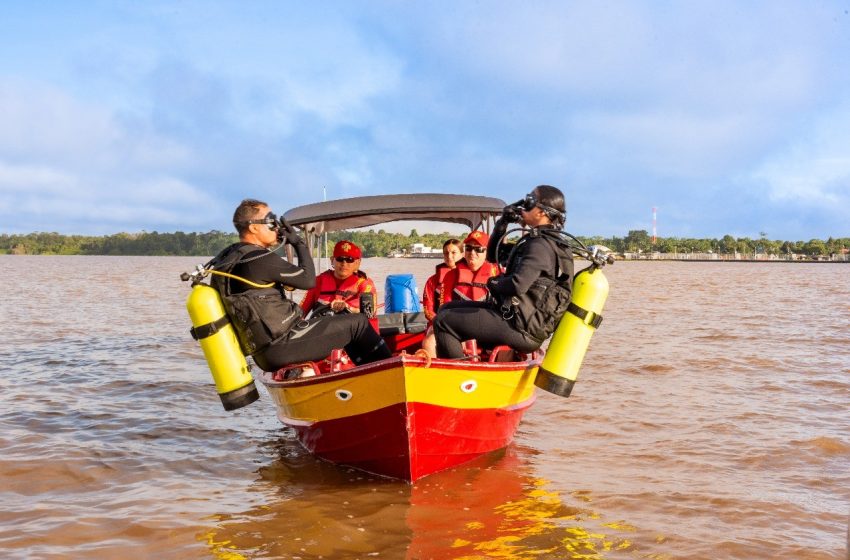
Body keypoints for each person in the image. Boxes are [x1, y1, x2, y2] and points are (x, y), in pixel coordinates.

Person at [209, 199, 390, 372]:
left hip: (264, 350)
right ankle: (390, 373)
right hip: (282, 343)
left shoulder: (227, 259)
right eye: (271, 220)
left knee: (349, 323)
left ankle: (364, 373)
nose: (276, 227)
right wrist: (297, 242)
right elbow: (307, 279)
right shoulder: (259, 259)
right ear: (254, 227)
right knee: (357, 324)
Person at [433, 185, 573, 359]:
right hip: (516, 318)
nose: (523, 206)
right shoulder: (545, 241)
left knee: (444, 321)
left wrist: (492, 283)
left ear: (541, 212)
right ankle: (466, 365)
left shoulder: (540, 245)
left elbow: (517, 285)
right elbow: (493, 255)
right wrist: (503, 222)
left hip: (520, 328)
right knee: (446, 308)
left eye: (529, 201)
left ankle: (459, 378)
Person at [300, 240, 377, 316]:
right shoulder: (318, 281)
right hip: (322, 326)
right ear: (332, 260)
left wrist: (348, 307)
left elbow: (370, 312)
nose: (344, 263)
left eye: (349, 260)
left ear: (357, 263)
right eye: (340, 259)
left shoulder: (364, 284)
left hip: (351, 327)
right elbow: (301, 312)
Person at [439, 231, 500, 305]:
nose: (472, 252)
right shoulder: (450, 275)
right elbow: (444, 306)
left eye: (478, 249)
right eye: (468, 248)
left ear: (487, 252)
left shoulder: (498, 273)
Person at [422, 238, 463, 322]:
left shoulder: (471, 279)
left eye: (453, 252)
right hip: (439, 323)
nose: (449, 256)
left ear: (462, 254)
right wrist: (439, 323)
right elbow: (427, 309)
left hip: (465, 323)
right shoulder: (432, 280)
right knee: (431, 336)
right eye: (446, 253)